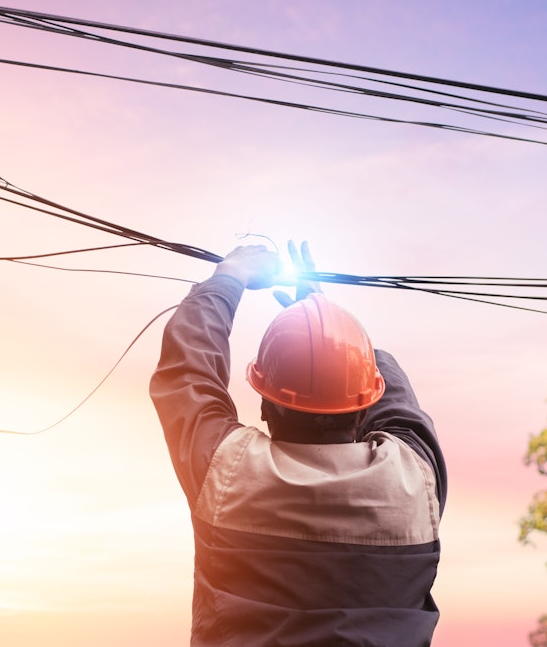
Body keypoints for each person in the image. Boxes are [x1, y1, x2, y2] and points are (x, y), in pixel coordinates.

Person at [149, 241, 447, 647]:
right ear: (364, 409)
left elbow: (187, 374)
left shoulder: (227, 471)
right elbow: (398, 404)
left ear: (264, 404)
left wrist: (229, 278)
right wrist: (328, 322)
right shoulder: (416, 482)